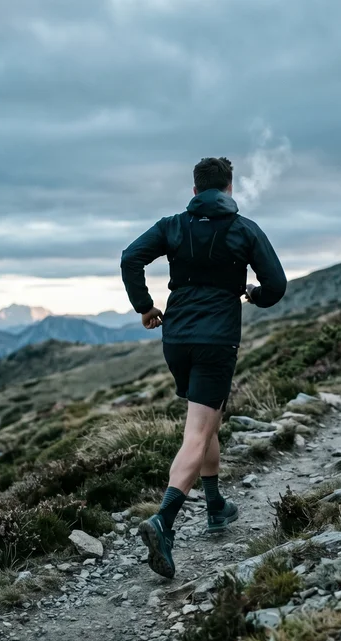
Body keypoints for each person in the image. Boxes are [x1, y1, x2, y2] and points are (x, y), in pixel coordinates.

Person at [119, 156, 287, 578]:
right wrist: (253, 294)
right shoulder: (244, 228)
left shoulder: (173, 225)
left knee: (205, 418)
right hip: (216, 340)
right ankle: (165, 521)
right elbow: (277, 285)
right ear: (229, 188)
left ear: (195, 190)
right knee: (198, 430)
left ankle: (215, 506)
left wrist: (145, 307)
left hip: (176, 339)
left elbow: (130, 258)